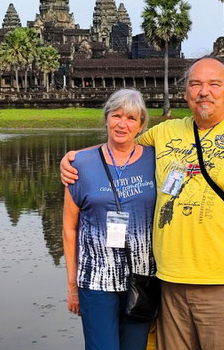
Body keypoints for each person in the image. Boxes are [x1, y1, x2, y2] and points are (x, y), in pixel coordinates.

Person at [62, 57, 224, 350]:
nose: (204, 91)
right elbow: (121, 143)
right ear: (185, 93)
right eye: (195, 84)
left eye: (214, 84)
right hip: (169, 283)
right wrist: (76, 158)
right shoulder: (166, 132)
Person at [63, 88, 157, 350]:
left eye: (130, 118)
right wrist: (72, 285)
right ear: (106, 118)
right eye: (116, 116)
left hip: (141, 278)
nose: (122, 124)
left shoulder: (156, 159)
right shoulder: (79, 164)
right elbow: (69, 229)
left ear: (141, 125)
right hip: (96, 279)